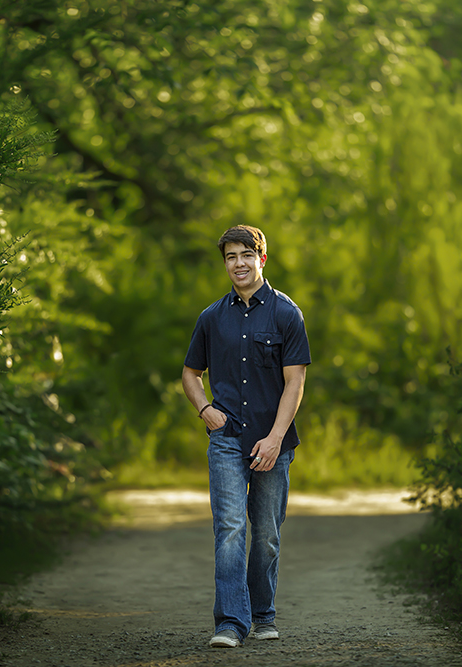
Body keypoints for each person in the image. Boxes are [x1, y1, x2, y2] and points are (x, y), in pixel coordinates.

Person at [181, 225, 311, 649]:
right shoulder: (211, 317)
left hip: (273, 442)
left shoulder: (287, 314)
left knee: (267, 534)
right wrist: (205, 409)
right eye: (230, 257)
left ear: (262, 259)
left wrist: (275, 439)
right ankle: (231, 624)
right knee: (231, 528)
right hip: (227, 439)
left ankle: (264, 615)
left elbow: (295, 384)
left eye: (245, 255)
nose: (238, 263)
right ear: (225, 264)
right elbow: (190, 373)